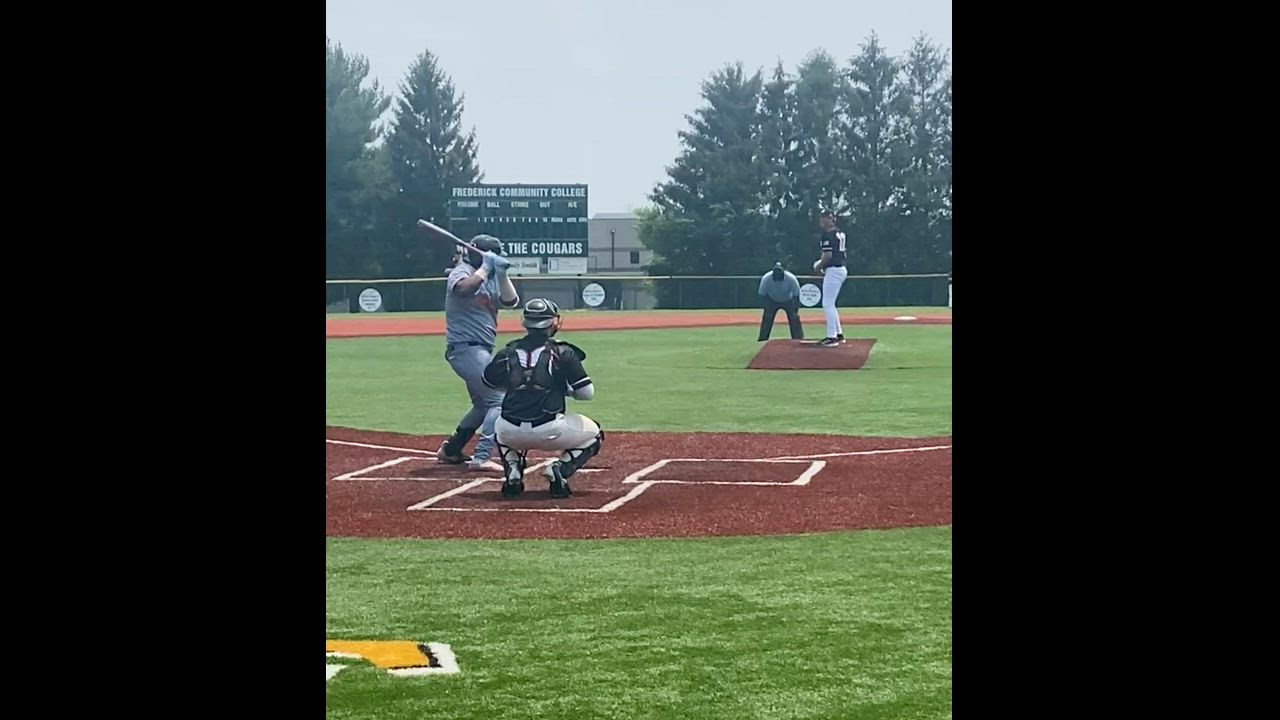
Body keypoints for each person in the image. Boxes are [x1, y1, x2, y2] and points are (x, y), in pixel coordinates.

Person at [481, 298, 603, 499]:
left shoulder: (507, 351)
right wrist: (564, 390)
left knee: (500, 429)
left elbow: (488, 382)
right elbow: (586, 393)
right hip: (550, 430)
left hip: (509, 430)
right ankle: (560, 469)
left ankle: (512, 468)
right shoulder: (563, 351)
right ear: (553, 322)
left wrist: (516, 385)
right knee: (595, 434)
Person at [435, 235, 519, 472]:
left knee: (482, 404)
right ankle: (481, 456)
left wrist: (501, 274)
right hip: (465, 348)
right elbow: (463, 289)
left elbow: (511, 301)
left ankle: (451, 449)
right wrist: (485, 267)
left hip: (481, 349)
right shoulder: (462, 271)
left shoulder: (491, 277)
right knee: (499, 400)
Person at [812, 209, 849, 346]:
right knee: (831, 304)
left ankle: (832, 337)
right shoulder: (839, 232)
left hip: (834, 270)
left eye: (825, 217)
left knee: (827, 304)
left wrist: (818, 267)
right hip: (840, 268)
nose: (821, 220)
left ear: (831, 219)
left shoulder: (827, 234)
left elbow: (828, 255)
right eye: (821, 217)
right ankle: (838, 334)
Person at [757, 262, 804, 341]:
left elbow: (796, 295)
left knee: (794, 317)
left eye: (779, 272)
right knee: (767, 317)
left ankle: (798, 338)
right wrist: (766, 307)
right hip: (772, 300)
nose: (778, 274)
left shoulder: (791, 278)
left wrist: (795, 308)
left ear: (783, 272)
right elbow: (762, 295)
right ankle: (763, 339)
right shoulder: (766, 278)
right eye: (776, 272)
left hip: (788, 300)